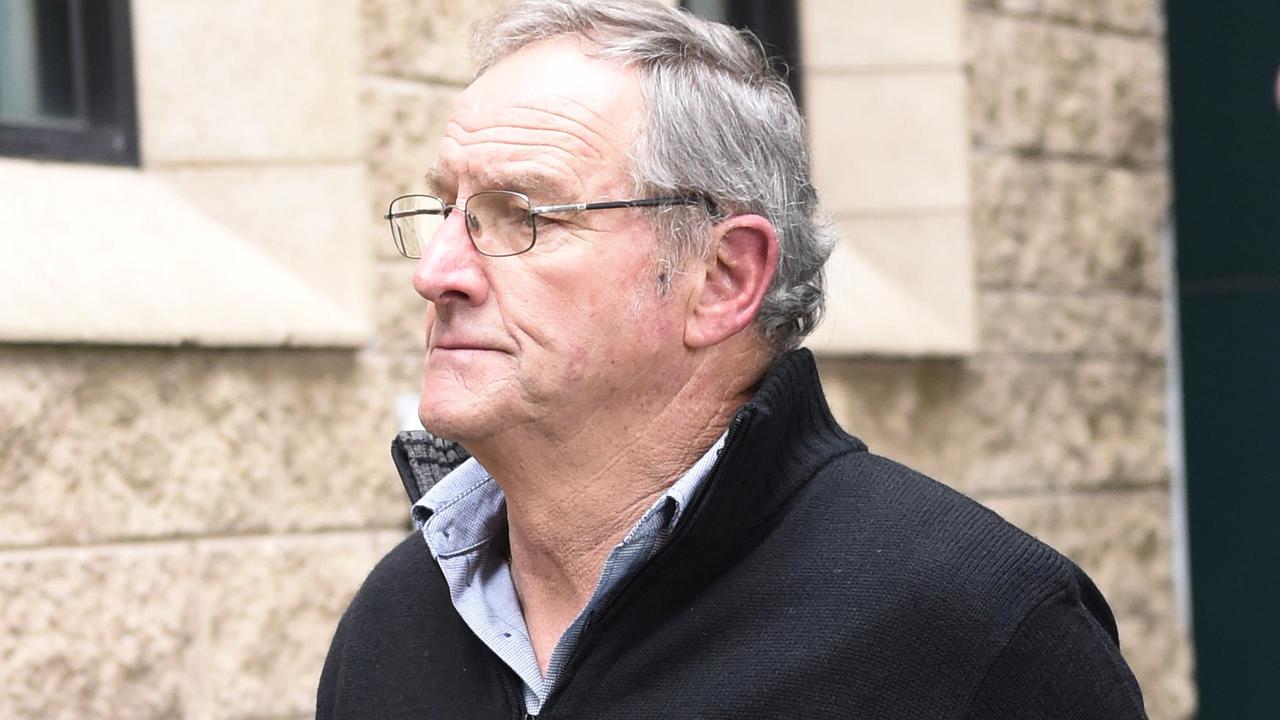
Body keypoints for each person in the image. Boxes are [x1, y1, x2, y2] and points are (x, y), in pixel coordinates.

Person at [317, 1, 1148, 718]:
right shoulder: (395, 624)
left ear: (723, 279)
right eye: (447, 208)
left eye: (522, 215)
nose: (435, 274)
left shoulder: (975, 625)